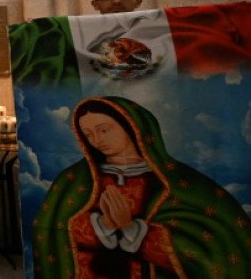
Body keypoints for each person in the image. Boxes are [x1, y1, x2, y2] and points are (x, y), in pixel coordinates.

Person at [33, 96, 251, 278]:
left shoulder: (178, 181)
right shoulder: (73, 180)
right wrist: (103, 225)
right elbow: (54, 229)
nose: (97, 140)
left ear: (131, 126)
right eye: (88, 134)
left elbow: (211, 243)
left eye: (104, 130)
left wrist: (131, 228)